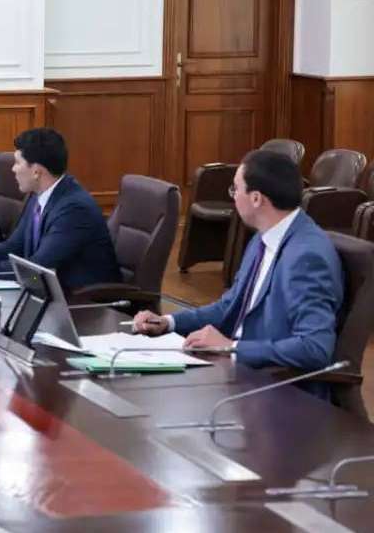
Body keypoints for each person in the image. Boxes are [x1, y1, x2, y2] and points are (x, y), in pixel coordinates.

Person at [132, 150, 342, 391]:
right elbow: (229, 306)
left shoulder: (306, 256)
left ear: (256, 198)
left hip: (274, 391)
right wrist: (168, 323)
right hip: (236, 374)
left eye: (235, 189)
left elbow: (314, 347)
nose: (233, 197)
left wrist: (231, 347)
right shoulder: (264, 237)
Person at [0, 128, 120, 290]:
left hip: (86, 306)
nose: (13, 169)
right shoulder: (40, 194)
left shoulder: (74, 209)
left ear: (36, 172)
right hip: (49, 294)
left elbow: (37, 269)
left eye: (18, 162)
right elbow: (15, 246)